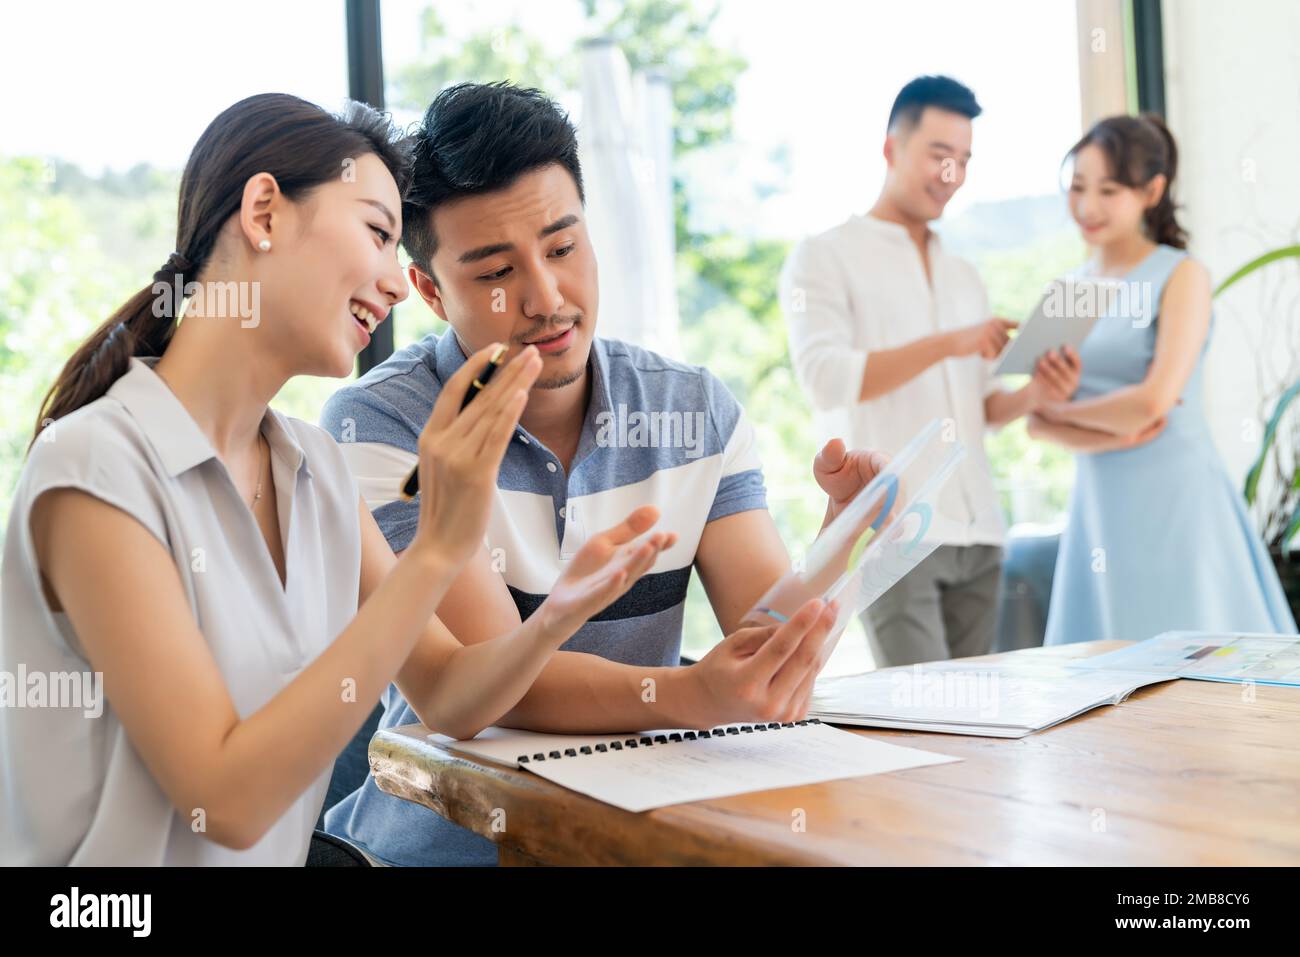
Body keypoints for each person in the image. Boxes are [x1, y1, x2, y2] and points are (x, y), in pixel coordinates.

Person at [0, 93, 685, 865]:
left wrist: (556, 615)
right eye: (378, 233)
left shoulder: (313, 467)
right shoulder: (98, 469)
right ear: (264, 212)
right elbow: (223, 800)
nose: (398, 285)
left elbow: (451, 692)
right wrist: (437, 547)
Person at [320, 81, 874, 866]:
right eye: (494, 273)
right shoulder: (383, 424)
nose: (546, 298)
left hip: (639, 837)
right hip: (445, 846)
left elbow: (767, 652)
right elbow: (495, 684)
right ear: (432, 291)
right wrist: (694, 698)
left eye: (562, 246)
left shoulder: (694, 411)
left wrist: (843, 539)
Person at [782, 75, 1080, 668]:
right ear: (891, 149)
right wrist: (949, 343)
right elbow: (825, 377)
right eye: (939, 155)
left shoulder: (964, 272)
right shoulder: (825, 254)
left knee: (976, 722)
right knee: (922, 716)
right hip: (898, 529)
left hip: (980, 532)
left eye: (964, 160)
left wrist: (1035, 394)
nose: (953, 175)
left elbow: (985, 407)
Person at [1029, 113, 1297, 643]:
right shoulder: (1070, 290)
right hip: (1100, 503)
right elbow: (1025, 419)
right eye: (1077, 187)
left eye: (1109, 189)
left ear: (1152, 190)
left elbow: (1154, 400)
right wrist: (1094, 424)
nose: (1087, 206)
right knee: (1105, 681)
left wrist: (1062, 417)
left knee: (1200, 669)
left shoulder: (1182, 274)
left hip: (1178, 500)